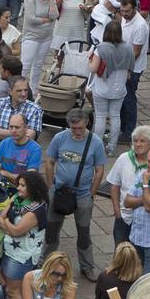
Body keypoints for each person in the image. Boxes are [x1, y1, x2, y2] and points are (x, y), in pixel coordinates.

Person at [44, 109, 106, 281]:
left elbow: (99, 170)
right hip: (59, 192)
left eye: (80, 128)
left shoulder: (96, 142)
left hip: (82, 194)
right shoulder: (60, 138)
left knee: (84, 232)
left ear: (86, 123)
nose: (77, 131)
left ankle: (87, 266)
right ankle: (46, 263)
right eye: (73, 128)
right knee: (51, 230)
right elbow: (49, 161)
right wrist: (50, 187)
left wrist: (91, 194)